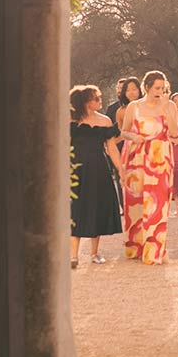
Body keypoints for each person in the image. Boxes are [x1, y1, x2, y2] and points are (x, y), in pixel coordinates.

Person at [120, 70, 178, 264]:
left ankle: (154, 251)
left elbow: (175, 132)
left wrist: (166, 109)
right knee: (136, 202)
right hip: (137, 157)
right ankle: (136, 247)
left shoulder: (169, 105)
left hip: (160, 158)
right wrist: (134, 136)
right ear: (146, 87)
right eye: (156, 88)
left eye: (162, 88)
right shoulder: (134, 106)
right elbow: (124, 132)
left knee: (158, 203)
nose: (160, 92)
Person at [69, 85, 123, 268]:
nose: (100, 101)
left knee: (97, 207)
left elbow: (112, 148)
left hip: (99, 168)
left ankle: (94, 253)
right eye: (96, 98)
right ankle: (73, 255)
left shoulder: (105, 121)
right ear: (86, 101)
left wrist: (121, 169)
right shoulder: (69, 119)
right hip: (75, 169)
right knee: (76, 209)